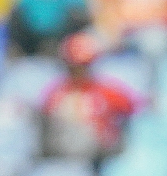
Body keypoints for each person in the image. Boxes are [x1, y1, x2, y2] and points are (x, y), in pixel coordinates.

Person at [40, 32, 139, 162]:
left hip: (100, 158)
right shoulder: (56, 93)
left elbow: (132, 112)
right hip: (64, 156)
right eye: (73, 66)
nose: (78, 71)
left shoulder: (108, 91)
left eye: (83, 65)